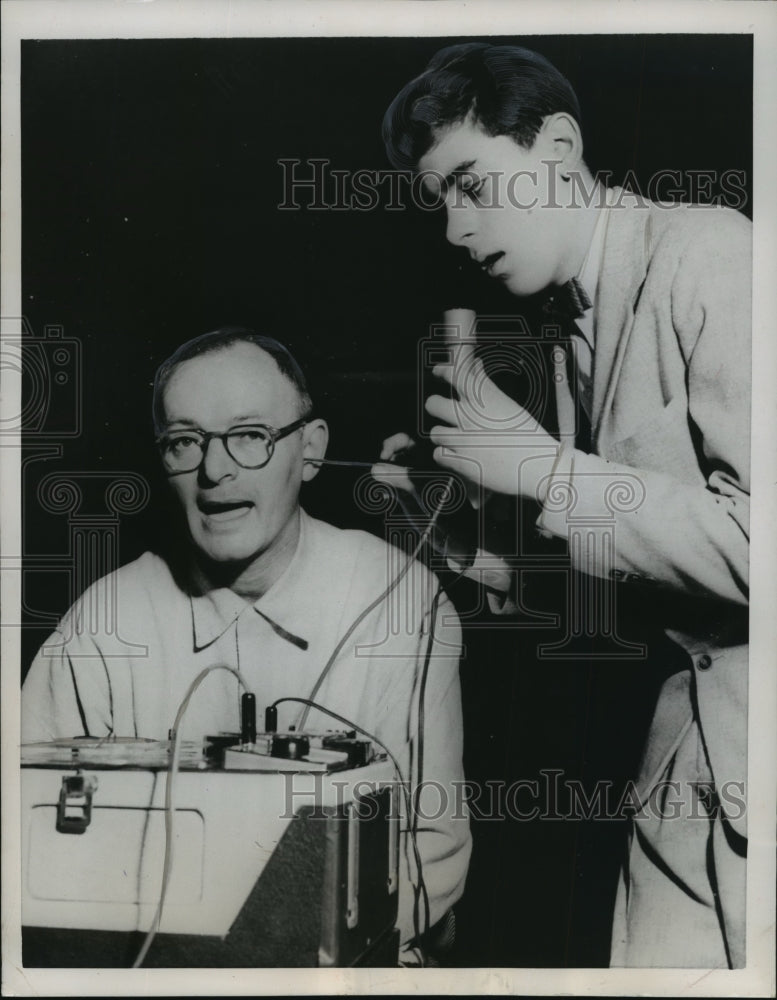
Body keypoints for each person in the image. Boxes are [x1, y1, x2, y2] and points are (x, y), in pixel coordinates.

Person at [378, 42, 750, 968]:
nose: (455, 232)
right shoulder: (571, 323)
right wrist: (477, 546)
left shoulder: (711, 251)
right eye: (439, 203)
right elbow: (651, 577)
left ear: (557, 148)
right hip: (684, 768)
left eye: (472, 185)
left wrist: (544, 469)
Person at [21, 326, 472, 960]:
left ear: (310, 450)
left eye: (251, 436)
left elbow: (433, 849)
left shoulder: (400, 602)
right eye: (185, 441)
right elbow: (30, 834)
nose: (215, 469)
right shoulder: (103, 624)